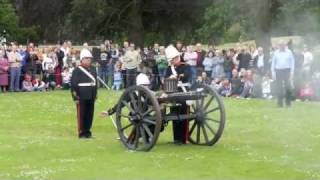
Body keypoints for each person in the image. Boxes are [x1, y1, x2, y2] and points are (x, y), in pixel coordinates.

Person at [165, 45, 191, 145]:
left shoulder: (185, 66)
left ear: (177, 57)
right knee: (174, 115)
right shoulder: (169, 68)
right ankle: (176, 138)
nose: (171, 62)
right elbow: (165, 78)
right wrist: (170, 77)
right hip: (173, 94)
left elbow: (187, 76)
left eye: (172, 60)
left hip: (183, 93)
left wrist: (177, 76)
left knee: (183, 116)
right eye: (170, 60)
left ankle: (183, 139)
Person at [71, 49, 97, 139]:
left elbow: (95, 83)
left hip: (91, 95)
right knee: (81, 114)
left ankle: (87, 132)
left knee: (90, 114)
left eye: (90, 58)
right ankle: (81, 132)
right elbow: (74, 84)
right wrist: (75, 97)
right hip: (81, 95)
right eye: (87, 58)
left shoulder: (93, 69)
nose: (89, 60)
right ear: (82, 59)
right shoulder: (77, 70)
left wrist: (95, 94)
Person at [271, 41, 295, 107]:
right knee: (279, 88)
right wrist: (273, 72)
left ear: (285, 45)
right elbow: (273, 63)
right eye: (280, 45)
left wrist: (292, 72)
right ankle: (280, 103)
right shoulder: (276, 53)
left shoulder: (289, 52)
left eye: (283, 45)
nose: (282, 46)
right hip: (278, 71)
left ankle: (288, 103)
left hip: (287, 70)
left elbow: (292, 63)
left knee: (288, 86)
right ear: (279, 46)